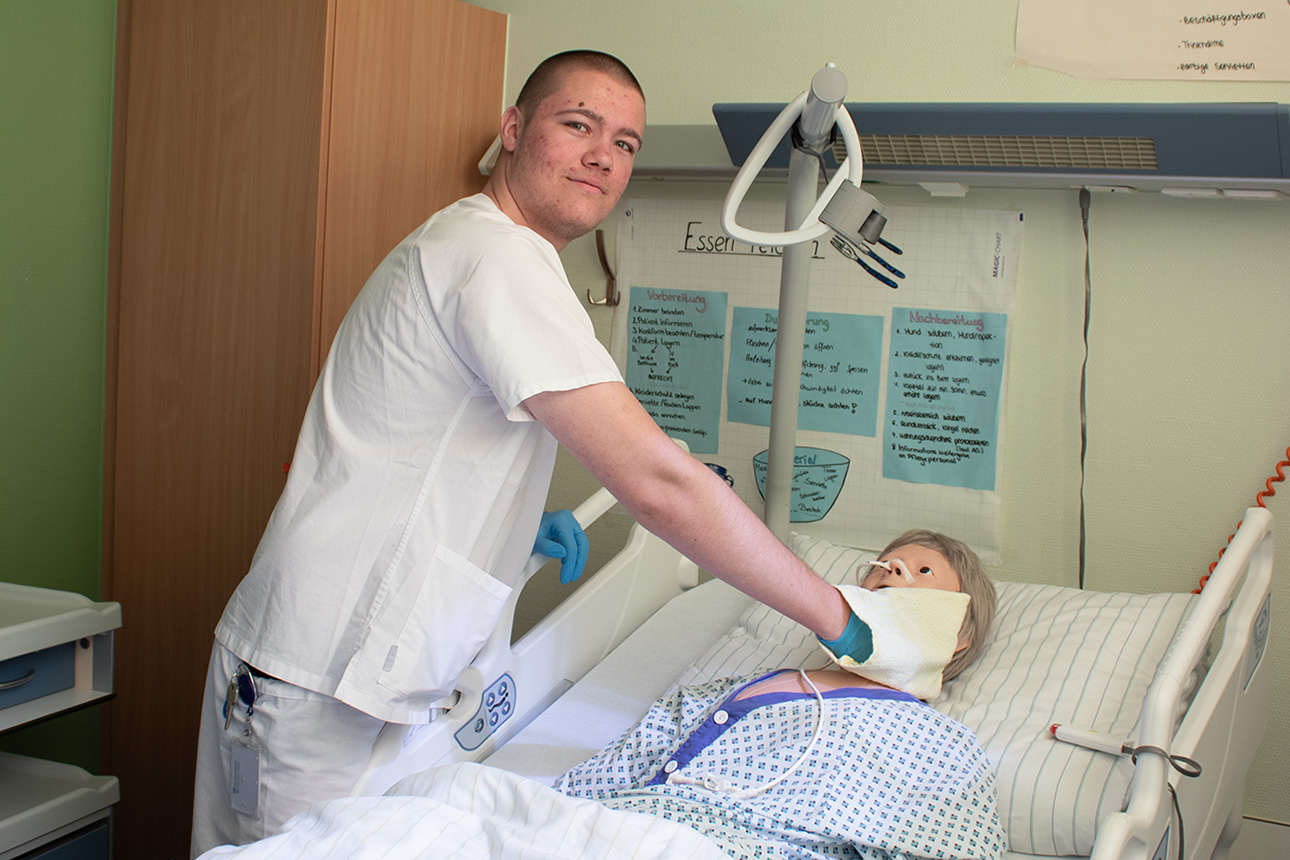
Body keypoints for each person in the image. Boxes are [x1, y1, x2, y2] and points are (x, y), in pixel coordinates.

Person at [190, 50, 863, 857]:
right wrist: (840, 616)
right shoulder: (496, 257)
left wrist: (511, 530)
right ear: (513, 130)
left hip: (346, 673)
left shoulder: (485, 249)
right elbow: (658, 485)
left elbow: (428, 439)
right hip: (315, 677)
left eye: (624, 143)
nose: (602, 156)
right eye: (578, 125)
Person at [554, 530, 1005, 860]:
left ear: (959, 634)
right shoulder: (739, 688)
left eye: (923, 572)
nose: (893, 571)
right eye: (883, 566)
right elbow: (602, 778)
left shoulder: (939, 744)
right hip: (618, 830)